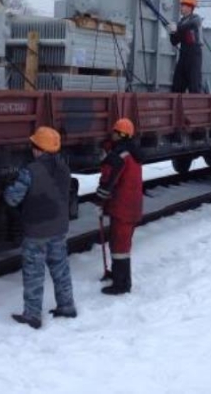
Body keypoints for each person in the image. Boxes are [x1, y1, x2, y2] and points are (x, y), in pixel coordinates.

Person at [4, 126, 76, 329]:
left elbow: (12, 199)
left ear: (37, 148)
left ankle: (32, 315)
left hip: (36, 230)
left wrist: (7, 188)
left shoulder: (30, 171)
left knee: (34, 273)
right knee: (60, 268)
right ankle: (67, 306)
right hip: (59, 228)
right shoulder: (63, 167)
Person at [96, 118, 143, 295]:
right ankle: (118, 276)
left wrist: (100, 202)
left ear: (121, 134)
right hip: (132, 205)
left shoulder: (120, 156)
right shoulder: (133, 153)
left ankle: (122, 284)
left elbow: (108, 182)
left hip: (122, 207)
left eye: (114, 132)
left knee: (120, 246)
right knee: (122, 243)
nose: (112, 134)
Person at [169, 0, 203, 93]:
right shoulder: (181, 22)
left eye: (183, 5)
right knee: (177, 84)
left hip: (194, 55)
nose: (181, 7)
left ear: (190, 7)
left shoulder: (196, 18)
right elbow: (174, 42)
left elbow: (192, 24)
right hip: (184, 54)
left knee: (194, 83)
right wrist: (172, 32)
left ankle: (196, 104)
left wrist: (177, 28)